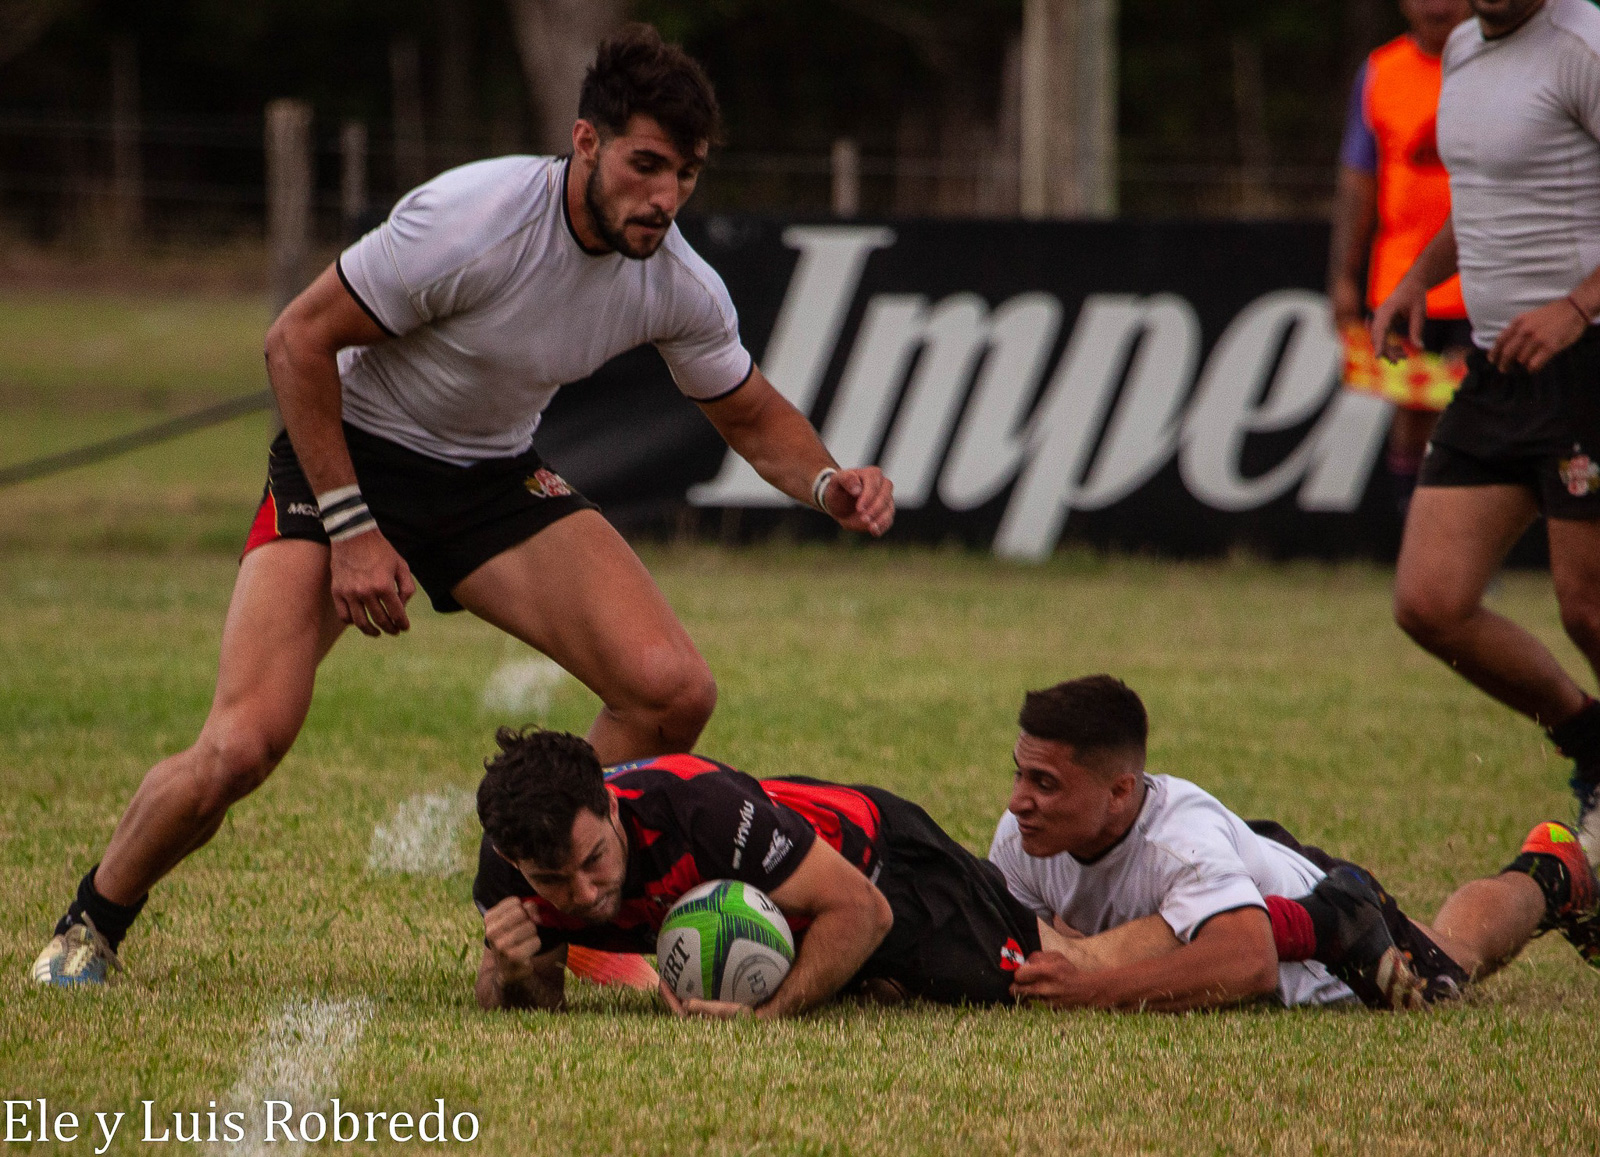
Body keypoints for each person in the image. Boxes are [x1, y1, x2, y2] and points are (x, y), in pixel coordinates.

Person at [31, 25, 894, 988]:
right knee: (242, 744)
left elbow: (746, 409)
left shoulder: (676, 280)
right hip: (347, 464)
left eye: (685, 174)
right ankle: (88, 928)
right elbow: (295, 344)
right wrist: (352, 527)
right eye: (646, 165)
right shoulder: (473, 218)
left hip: (488, 478)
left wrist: (828, 481)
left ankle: (528, 910)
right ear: (586, 142)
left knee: (671, 689)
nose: (664, 198)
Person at [988, 677, 1600, 1011]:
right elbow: (1027, 937)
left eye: (1044, 783)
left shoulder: (1178, 841)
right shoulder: (1020, 833)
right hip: (1270, 876)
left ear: (1121, 792)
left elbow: (1247, 965)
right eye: (1019, 773)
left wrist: (1090, 989)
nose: (1018, 800)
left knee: (1456, 957)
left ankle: (1554, 872)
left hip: (1334, 927)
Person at [1370, 0, 1600, 868]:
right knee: (1429, 601)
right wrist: (1415, 282)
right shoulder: (1464, 47)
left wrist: (1578, 307)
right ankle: (1592, 742)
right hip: (1502, 367)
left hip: (1587, 364)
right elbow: (1483, 200)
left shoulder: (1582, 45)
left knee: (1586, 606)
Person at [471, 730, 1158, 1017]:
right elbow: (540, 1009)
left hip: (882, 866)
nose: (585, 895)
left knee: (1051, 971)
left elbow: (864, 911)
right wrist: (508, 970)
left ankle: (1221, 927)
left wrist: (769, 1015)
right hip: (804, 904)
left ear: (611, 803)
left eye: (595, 861)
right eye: (555, 880)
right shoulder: (513, 852)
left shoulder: (697, 809)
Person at [1329, 0, 1472, 513]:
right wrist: (1344, 276)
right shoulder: (1382, 71)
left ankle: (1468, 551)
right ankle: (1416, 541)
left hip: (1483, 278)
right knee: (1412, 416)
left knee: (1470, 415)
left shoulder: (1490, 64)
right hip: (1403, 280)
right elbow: (1357, 180)